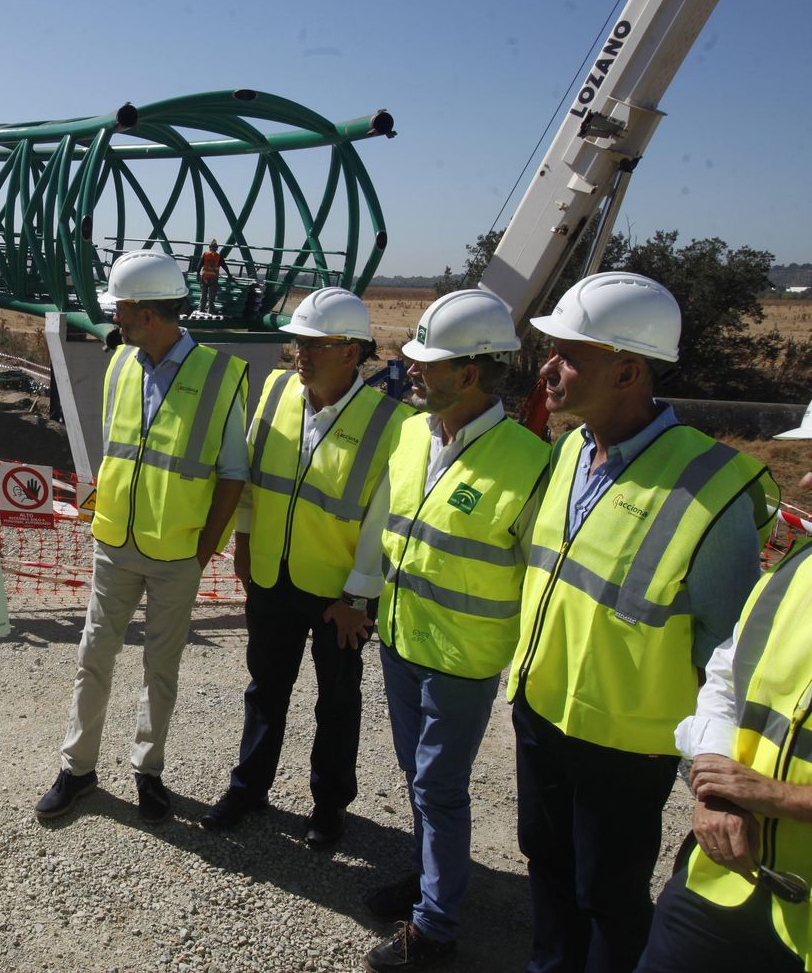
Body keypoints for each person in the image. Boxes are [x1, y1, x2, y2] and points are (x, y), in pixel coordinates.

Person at [506, 272, 779, 973]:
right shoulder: (570, 449)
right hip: (541, 711)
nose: (549, 368)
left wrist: (715, 782)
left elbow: (728, 657)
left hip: (627, 745)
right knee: (545, 862)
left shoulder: (711, 489)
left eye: (567, 354)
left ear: (628, 370)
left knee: (608, 894)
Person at [357, 290, 550, 971]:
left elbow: (540, 580)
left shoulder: (530, 463)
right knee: (418, 778)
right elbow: (388, 527)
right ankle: (425, 877)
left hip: (464, 659)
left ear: (469, 373)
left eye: (426, 362)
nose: (410, 369)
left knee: (439, 786)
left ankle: (435, 927)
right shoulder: (412, 433)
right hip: (402, 640)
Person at [35, 249, 249, 824]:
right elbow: (117, 456)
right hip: (115, 544)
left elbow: (232, 475)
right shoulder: (122, 367)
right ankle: (77, 769)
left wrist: (202, 551)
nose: (116, 322)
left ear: (149, 314)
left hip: (177, 552)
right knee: (93, 657)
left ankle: (147, 770)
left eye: (123, 311)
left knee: (161, 668)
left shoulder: (221, 376)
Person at [202, 286, 413, 846]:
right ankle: (248, 788)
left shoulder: (392, 422)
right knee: (265, 689)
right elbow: (251, 479)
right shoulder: (275, 391)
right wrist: (244, 545)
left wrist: (357, 600)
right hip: (270, 575)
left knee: (337, 703)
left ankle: (328, 808)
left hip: (337, 597)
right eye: (297, 343)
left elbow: (381, 522)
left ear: (351, 352)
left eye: (314, 345)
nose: (300, 355)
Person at [634, 409, 812, 973]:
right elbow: (725, 679)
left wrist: (777, 799)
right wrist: (714, 786)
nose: (806, 481)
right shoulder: (795, 571)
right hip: (723, 878)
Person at [199, 238, 224, 315]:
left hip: (205, 277)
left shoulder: (205, 254)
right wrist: (229, 275)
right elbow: (224, 265)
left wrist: (197, 273)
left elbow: (200, 264)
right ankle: (210, 310)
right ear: (217, 248)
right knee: (211, 295)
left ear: (209, 247)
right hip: (213, 278)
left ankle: (201, 308)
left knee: (203, 294)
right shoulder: (218, 256)